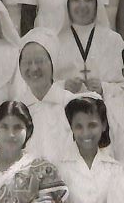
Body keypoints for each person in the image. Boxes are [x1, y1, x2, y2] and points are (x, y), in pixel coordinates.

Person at [52, 0, 124, 94]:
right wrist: (63, 86)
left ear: (97, 4)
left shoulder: (114, 40)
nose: (82, 5)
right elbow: (43, 87)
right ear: (67, 4)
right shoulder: (55, 41)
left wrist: (104, 88)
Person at [9, 30, 75, 163]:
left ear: (53, 64)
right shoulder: (14, 110)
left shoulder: (71, 104)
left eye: (39, 61)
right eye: (27, 62)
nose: (33, 69)